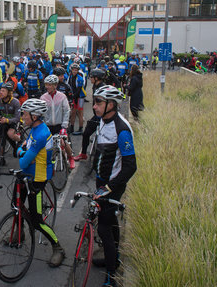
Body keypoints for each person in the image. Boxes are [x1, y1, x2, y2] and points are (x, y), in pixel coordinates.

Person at [90, 85, 137, 287]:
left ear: (112, 104)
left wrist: (109, 187)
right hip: (102, 181)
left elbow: (130, 167)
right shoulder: (102, 121)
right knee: (111, 223)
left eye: (99, 103)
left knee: (103, 228)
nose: (94, 106)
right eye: (95, 102)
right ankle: (115, 258)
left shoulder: (122, 129)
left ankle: (112, 275)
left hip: (113, 185)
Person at [16, 99, 65, 267]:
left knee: (37, 221)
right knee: (16, 204)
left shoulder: (41, 134)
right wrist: (24, 150)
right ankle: (20, 232)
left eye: (24, 114)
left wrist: (21, 151)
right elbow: (25, 147)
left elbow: (22, 160)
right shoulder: (35, 128)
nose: (22, 116)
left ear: (35, 115)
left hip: (38, 178)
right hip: (29, 173)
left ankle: (58, 247)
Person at [40, 75, 76, 168]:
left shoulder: (62, 96)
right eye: (46, 84)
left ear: (55, 85)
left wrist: (64, 126)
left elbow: (66, 111)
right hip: (48, 125)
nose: (47, 86)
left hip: (60, 125)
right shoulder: (43, 97)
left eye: (49, 84)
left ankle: (71, 157)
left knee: (64, 142)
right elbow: (41, 113)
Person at [73, 68, 107, 164]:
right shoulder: (95, 86)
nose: (90, 78)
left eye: (91, 77)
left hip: (102, 116)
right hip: (96, 115)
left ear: (96, 78)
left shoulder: (102, 88)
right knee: (86, 133)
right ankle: (83, 154)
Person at [0, 82, 21, 163]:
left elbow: (18, 118)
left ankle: (19, 140)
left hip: (12, 123)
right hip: (3, 124)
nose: (1, 92)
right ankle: (0, 158)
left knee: (10, 134)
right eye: (0, 90)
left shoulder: (15, 102)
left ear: (9, 92)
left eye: (3, 91)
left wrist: (7, 120)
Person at [68, 64, 86, 136]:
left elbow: (78, 90)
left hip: (80, 96)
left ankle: (81, 128)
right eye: (73, 70)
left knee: (80, 112)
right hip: (74, 95)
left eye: (76, 70)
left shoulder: (80, 78)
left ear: (78, 71)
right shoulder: (70, 77)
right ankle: (71, 127)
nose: (74, 71)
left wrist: (73, 97)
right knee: (73, 112)